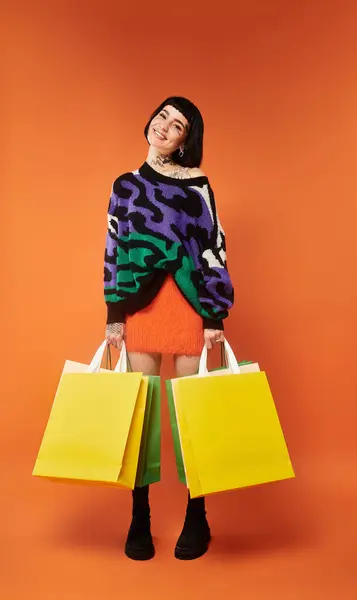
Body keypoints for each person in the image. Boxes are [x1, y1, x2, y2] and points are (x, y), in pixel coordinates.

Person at [104, 96, 234, 561]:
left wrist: (214, 315)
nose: (164, 126)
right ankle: (140, 516)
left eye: (176, 125)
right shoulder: (124, 185)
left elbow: (214, 246)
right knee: (140, 415)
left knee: (189, 417)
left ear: (184, 141)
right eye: (162, 116)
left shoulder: (198, 186)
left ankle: (197, 516)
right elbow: (115, 246)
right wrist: (113, 314)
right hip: (140, 307)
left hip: (187, 305)